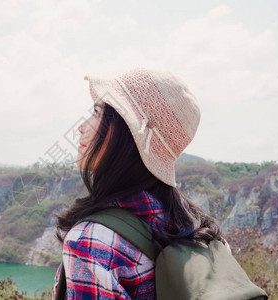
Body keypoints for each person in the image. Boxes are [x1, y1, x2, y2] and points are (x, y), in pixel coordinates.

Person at [53, 69, 224, 299]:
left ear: (126, 132)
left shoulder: (90, 242)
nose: (81, 127)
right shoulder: (199, 228)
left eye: (96, 112)